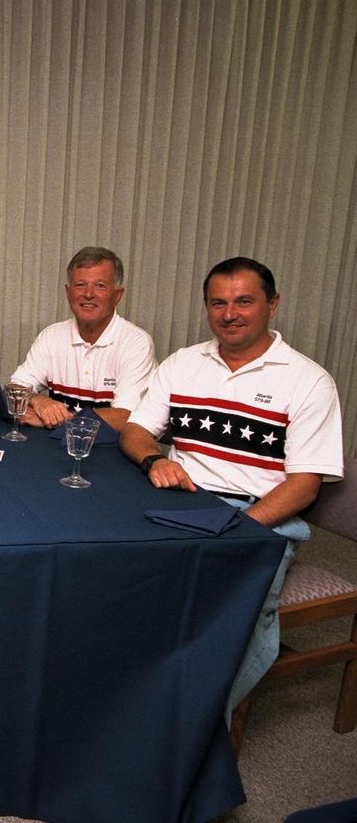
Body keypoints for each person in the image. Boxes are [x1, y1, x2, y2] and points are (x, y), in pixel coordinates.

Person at [121, 257, 344, 718]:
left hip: (258, 516)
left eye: (244, 301)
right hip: (181, 505)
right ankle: (126, 701)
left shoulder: (309, 381)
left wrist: (239, 527)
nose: (230, 313)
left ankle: (197, 728)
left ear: (272, 304)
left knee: (229, 614)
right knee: (117, 580)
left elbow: (303, 488)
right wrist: (154, 459)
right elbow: (136, 430)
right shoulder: (185, 362)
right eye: (218, 302)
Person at [10, 246, 155, 431]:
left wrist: (59, 419)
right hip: (58, 446)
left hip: (109, 452)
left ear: (117, 295)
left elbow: (125, 417)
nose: (88, 294)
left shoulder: (136, 343)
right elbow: (15, 388)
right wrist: (38, 400)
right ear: (67, 292)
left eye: (100, 286)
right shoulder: (51, 336)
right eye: (80, 285)